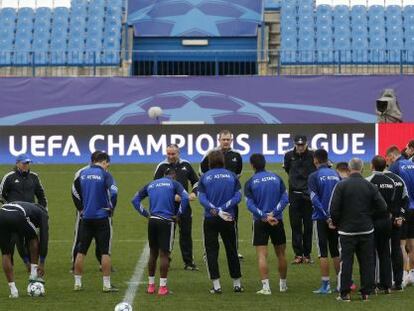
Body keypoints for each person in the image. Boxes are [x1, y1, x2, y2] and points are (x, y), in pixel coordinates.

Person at [330, 158, 387, 302]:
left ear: (349, 169)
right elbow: (382, 207)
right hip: (366, 230)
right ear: (362, 169)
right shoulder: (369, 186)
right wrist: (369, 216)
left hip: (347, 230)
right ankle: (365, 293)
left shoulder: (341, 186)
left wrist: (338, 223)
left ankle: (345, 293)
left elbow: (334, 209)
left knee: (346, 262)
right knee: (367, 262)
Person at [132, 168, 189, 296]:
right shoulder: (174, 184)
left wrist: (146, 214)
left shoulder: (151, 184)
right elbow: (185, 198)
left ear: (163, 175)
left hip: (152, 220)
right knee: (164, 254)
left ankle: (151, 286)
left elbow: (134, 200)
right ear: (173, 176)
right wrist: (178, 214)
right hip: (166, 221)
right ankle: (162, 287)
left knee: (153, 253)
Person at [72, 152, 118, 292]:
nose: (108, 166)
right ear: (103, 162)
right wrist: (111, 207)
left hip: (86, 218)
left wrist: (81, 209)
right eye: (107, 163)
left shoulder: (82, 173)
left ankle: (78, 283)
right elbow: (114, 191)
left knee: (81, 251)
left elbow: (74, 191)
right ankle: (106, 285)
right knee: (105, 252)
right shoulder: (105, 174)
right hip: (102, 217)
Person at [198, 150, 243, 294]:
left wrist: (213, 208)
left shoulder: (204, 177)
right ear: (223, 161)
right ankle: (237, 284)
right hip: (228, 217)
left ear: (210, 162)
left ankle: (216, 285)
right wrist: (224, 207)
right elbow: (238, 196)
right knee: (232, 250)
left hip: (210, 217)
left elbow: (201, 197)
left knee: (211, 251)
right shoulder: (231, 176)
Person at [244, 153, 289, 295]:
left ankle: (266, 287)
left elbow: (250, 204)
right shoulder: (276, 178)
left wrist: (264, 215)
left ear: (252, 165)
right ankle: (283, 285)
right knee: (281, 254)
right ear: (265, 163)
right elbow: (285, 198)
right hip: (277, 220)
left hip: (260, 221)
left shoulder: (250, 182)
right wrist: (274, 213)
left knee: (262, 255)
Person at [366, 155, 408, 292]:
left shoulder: (369, 181)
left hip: (376, 221)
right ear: (386, 165)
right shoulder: (394, 181)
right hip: (391, 220)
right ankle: (392, 283)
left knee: (373, 252)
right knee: (390, 251)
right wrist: (399, 215)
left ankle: (373, 284)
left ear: (372, 166)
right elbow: (402, 199)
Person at [154, 144, 199, 270]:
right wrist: (171, 196)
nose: (170, 156)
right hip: (167, 207)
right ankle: (165, 260)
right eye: (168, 154)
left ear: (178, 153)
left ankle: (189, 263)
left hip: (184, 206)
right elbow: (155, 186)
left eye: (173, 154)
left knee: (186, 233)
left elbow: (196, 181)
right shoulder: (161, 167)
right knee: (167, 234)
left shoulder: (186, 165)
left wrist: (194, 193)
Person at [200, 129, 244, 259]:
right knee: (211, 223)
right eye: (223, 139)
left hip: (230, 197)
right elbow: (201, 172)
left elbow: (238, 173)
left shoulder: (237, 155)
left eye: (228, 139)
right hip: (212, 196)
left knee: (233, 223)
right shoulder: (211, 154)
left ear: (231, 140)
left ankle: (234, 250)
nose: (225, 141)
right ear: (219, 140)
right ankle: (207, 252)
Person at [0, 153, 47, 269]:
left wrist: (42, 210)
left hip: (30, 213)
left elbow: (41, 196)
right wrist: (8, 206)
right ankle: (22, 263)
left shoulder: (34, 177)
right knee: (15, 239)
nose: (26, 165)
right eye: (24, 163)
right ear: (17, 164)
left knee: (32, 239)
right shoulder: (9, 177)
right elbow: (1, 194)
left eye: (28, 163)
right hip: (14, 215)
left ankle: (32, 264)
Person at [308, 149, 341, 294]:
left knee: (322, 252)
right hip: (336, 219)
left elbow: (314, 199)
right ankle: (341, 283)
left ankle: (326, 285)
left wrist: (326, 216)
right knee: (335, 251)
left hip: (322, 219)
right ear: (327, 160)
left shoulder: (314, 176)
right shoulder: (336, 174)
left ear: (315, 160)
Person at [0, 201, 49, 298]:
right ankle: (34, 274)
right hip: (16, 214)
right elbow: (44, 238)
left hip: (1, 215)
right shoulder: (42, 214)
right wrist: (42, 262)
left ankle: (13, 291)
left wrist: (26, 261)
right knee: (33, 238)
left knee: (6, 254)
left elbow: (18, 239)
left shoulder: (28, 208)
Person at [283, 135, 316, 264]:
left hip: (308, 196)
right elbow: (287, 169)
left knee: (308, 226)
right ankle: (298, 255)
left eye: (302, 145)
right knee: (295, 225)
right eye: (298, 145)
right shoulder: (288, 155)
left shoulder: (313, 155)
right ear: (295, 144)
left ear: (306, 144)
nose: (300, 147)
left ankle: (307, 254)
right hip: (294, 196)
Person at [71, 151, 105, 273]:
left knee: (102, 238)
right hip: (84, 212)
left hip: (100, 212)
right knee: (80, 237)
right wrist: (81, 208)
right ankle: (74, 264)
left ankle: (103, 263)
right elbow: (74, 191)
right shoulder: (81, 172)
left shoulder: (103, 172)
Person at [386, 145, 414, 285]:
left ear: (391, 156)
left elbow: (393, 191)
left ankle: (403, 274)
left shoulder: (394, 168)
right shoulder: (411, 163)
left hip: (404, 208)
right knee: (412, 243)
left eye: (388, 159)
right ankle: (412, 274)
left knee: (401, 245)